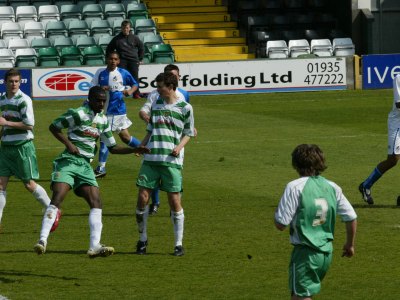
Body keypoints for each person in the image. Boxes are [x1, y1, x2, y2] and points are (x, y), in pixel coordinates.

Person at [33, 86, 149, 258]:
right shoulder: (78, 113)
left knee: (96, 202)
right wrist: (69, 145)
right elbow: (54, 126)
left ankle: (94, 245)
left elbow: (113, 148)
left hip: (85, 167)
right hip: (69, 162)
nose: (102, 103)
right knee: (58, 197)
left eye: (104, 100)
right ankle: (42, 240)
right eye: (98, 100)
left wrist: (135, 149)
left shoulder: (102, 121)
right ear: (90, 99)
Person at [274, 144, 357, 300]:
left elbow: (280, 224)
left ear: (296, 164)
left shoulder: (294, 187)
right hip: (326, 253)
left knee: (301, 296)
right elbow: (351, 216)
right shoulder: (332, 187)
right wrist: (349, 244)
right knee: (302, 294)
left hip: (306, 253)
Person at [135, 72, 195, 256]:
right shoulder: (156, 104)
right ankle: (142, 239)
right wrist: (142, 146)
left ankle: (178, 244)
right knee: (142, 198)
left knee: (174, 200)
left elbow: (189, 132)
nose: (157, 89)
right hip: (151, 159)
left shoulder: (185, 108)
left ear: (170, 86)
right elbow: (150, 130)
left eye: (160, 86)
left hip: (171, 161)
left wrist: (179, 147)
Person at [0, 68, 60, 232]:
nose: (14, 84)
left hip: (22, 147)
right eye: (11, 81)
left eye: (16, 81)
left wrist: (6, 123)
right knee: (1, 184)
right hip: (6, 148)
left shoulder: (24, 100)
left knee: (29, 184)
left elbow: (29, 124)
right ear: (5, 82)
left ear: (20, 82)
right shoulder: (2, 99)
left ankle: (52, 209)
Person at [139, 64, 191, 215]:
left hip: (177, 143)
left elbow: (186, 118)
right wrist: (148, 119)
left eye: (175, 75)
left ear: (178, 77)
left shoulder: (184, 95)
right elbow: (144, 110)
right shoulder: (156, 95)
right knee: (153, 174)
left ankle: (175, 207)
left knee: (175, 177)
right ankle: (155, 203)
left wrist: (190, 130)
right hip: (158, 140)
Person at [91, 51, 142, 178]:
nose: (113, 61)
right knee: (125, 137)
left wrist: (130, 91)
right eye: (110, 58)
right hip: (104, 111)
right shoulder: (100, 73)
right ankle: (146, 150)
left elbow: (135, 84)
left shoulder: (123, 73)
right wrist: (101, 89)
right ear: (106, 60)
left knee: (104, 139)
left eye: (115, 59)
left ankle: (101, 168)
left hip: (115, 111)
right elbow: (92, 88)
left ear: (118, 61)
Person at [359, 74, 400, 205]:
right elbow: (399, 104)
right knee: (393, 159)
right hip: (397, 123)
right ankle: (366, 185)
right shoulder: (399, 78)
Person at [106, 19, 144, 99]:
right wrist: (112, 58)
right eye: (124, 28)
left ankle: (136, 94)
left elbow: (141, 47)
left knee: (135, 78)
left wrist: (140, 59)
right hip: (122, 61)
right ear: (121, 28)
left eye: (127, 28)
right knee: (120, 77)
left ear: (129, 28)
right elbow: (109, 49)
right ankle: (119, 93)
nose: (125, 29)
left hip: (133, 61)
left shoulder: (134, 38)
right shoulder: (116, 39)